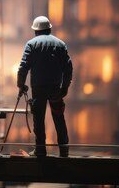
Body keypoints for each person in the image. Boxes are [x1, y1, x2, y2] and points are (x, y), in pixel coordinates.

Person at [17, 15, 73, 157]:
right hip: (55, 89)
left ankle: (40, 150)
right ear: (49, 28)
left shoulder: (31, 44)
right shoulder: (60, 44)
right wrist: (65, 87)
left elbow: (23, 68)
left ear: (36, 31)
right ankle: (64, 150)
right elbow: (68, 68)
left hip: (39, 89)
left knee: (39, 119)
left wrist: (21, 85)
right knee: (59, 118)